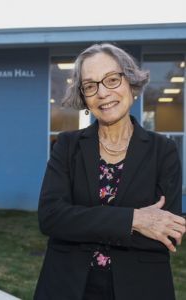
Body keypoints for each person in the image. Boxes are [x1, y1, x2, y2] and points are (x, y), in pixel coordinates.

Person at [34, 43, 186, 300]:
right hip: (68, 286)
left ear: (131, 84)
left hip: (141, 287)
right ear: (84, 96)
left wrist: (82, 222)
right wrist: (134, 220)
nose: (103, 93)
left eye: (112, 80)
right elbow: (51, 218)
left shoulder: (164, 150)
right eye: (91, 85)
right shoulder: (67, 145)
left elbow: (166, 232)